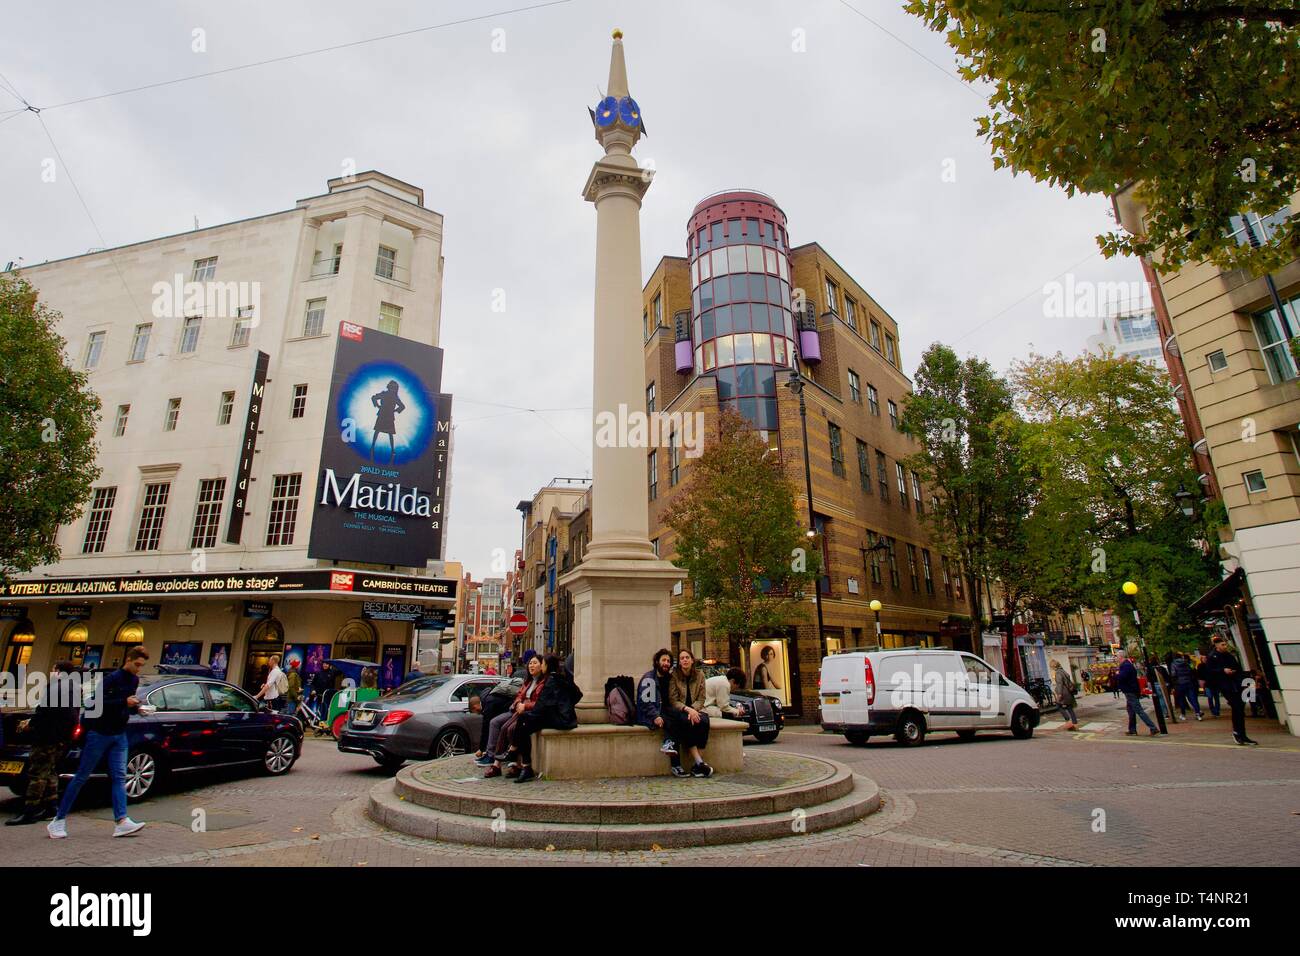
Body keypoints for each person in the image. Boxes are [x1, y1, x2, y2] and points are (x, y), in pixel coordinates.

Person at [48, 646, 150, 839]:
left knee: (120, 776)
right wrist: (124, 702)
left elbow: (124, 706)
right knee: (81, 776)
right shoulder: (111, 679)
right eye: (136, 664)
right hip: (100, 734)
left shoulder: (134, 680)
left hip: (119, 734)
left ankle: (121, 821)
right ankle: (58, 820)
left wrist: (137, 709)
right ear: (128, 659)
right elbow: (95, 702)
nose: (138, 669)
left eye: (141, 666)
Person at [7, 662, 79, 826]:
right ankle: (51, 806)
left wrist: (29, 724)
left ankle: (30, 810)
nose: (52, 672)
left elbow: (44, 712)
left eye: (54, 669)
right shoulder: (74, 688)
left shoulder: (55, 687)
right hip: (62, 737)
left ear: (59, 672)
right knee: (51, 771)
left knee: (37, 773)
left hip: (46, 736)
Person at [511, 654, 582, 784]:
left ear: (547, 666)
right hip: (567, 717)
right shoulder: (562, 678)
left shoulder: (550, 681)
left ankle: (523, 762)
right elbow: (578, 694)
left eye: (542, 663)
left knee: (523, 722)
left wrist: (530, 713)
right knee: (524, 723)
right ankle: (517, 754)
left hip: (559, 720)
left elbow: (540, 706)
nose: (541, 666)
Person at [484, 652, 545, 778]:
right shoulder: (528, 682)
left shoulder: (543, 683)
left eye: (535, 663)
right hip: (519, 710)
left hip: (528, 713)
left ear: (542, 666)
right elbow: (519, 695)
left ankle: (513, 764)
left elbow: (540, 702)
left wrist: (525, 706)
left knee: (510, 729)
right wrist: (518, 703)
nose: (531, 666)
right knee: (501, 725)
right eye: (530, 663)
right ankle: (497, 763)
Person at [667, 648, 714, 777]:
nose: (685, 660)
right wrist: (688, 709)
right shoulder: (674, 676)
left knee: (704, 722)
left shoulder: (700, 675)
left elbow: (702, 697)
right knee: (686, 722)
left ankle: (696, 766)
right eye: (682, 658)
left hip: (696, 708)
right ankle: (699, 762)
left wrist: (694, 709)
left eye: (687, 657)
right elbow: (673, 699)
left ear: (692, 660)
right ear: (679, 662)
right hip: (681, 709)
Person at [474, 657, 528, 766]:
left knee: (497, 724)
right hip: (514, 708)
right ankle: (496, 757)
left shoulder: (489, 702)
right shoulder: (491, 696)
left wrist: (481, 748)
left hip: (518, 710)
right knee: (499, 724)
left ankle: (492, 756)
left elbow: (485, 727)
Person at [637, 648, 682, 772]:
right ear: (657, 661)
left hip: (664, 710)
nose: (666, 663)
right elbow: (646, 703)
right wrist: (655, 716)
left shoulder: (670, 678)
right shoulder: (649, 679)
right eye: (663, 660)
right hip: (651, 714)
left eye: (668, 661)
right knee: (671, 722)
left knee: (681, 718)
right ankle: (676, 765)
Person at [1206, 636, 1257, 746]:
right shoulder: (1212, 657)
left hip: (1235, 684)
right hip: (1225, 686)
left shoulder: (1229, 655)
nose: (1225, 646)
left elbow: (1238, 668)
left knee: (1240, 708)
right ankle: (1237, 733)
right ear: (1217, 645)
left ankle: (1242, 734)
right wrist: (1222, 670)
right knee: (1237, 707)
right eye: (1223, 644)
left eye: (1225, 644)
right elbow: (1210, 672)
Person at [1115, 649, 1158, 737]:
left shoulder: (1126, 666)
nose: (1115, 658)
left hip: (1130, 691)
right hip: (1130, 691)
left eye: (1116, 656)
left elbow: (1122, 677)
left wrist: (1117, 674)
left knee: (1139, 710)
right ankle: (1132, 730)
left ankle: (1153, 727)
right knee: (1131, 711)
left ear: (1121, 657)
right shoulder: (1127, 664)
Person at [370, 379, 406, 464]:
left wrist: (395, 411)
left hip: (388, 416)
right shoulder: (386, 394)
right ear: (389, 387)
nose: (392, 389)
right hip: (383, 415)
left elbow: (402, 406)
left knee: (388, 433)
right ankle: (373, 446)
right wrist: (377, 405)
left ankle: (392, 449)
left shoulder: (394, 397)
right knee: (378, 431)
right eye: (391, 387)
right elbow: (374, 397)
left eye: (394, 388)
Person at [1170, 653, 1202, 721]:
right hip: (1189, 682)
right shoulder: (1186, 662)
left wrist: (1174, 684)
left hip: (1179, 684)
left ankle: (1183, 715)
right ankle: (1198, 713)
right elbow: (1192, 670)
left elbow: (1173, 674)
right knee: (1193, 698)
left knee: (1181, 699)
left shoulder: (1173, 664)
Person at [1050, 660, 1078, 731]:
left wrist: (1059, 694)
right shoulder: (1063, 671)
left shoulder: (1058, 673)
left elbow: (1060, 684)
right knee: (1069, 708)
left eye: (1051, 666)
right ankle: (1074, 723)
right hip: (1068, 692)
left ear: (1053, 666)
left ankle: (1068, 720)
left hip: (1064, 692)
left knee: (1058, 705)